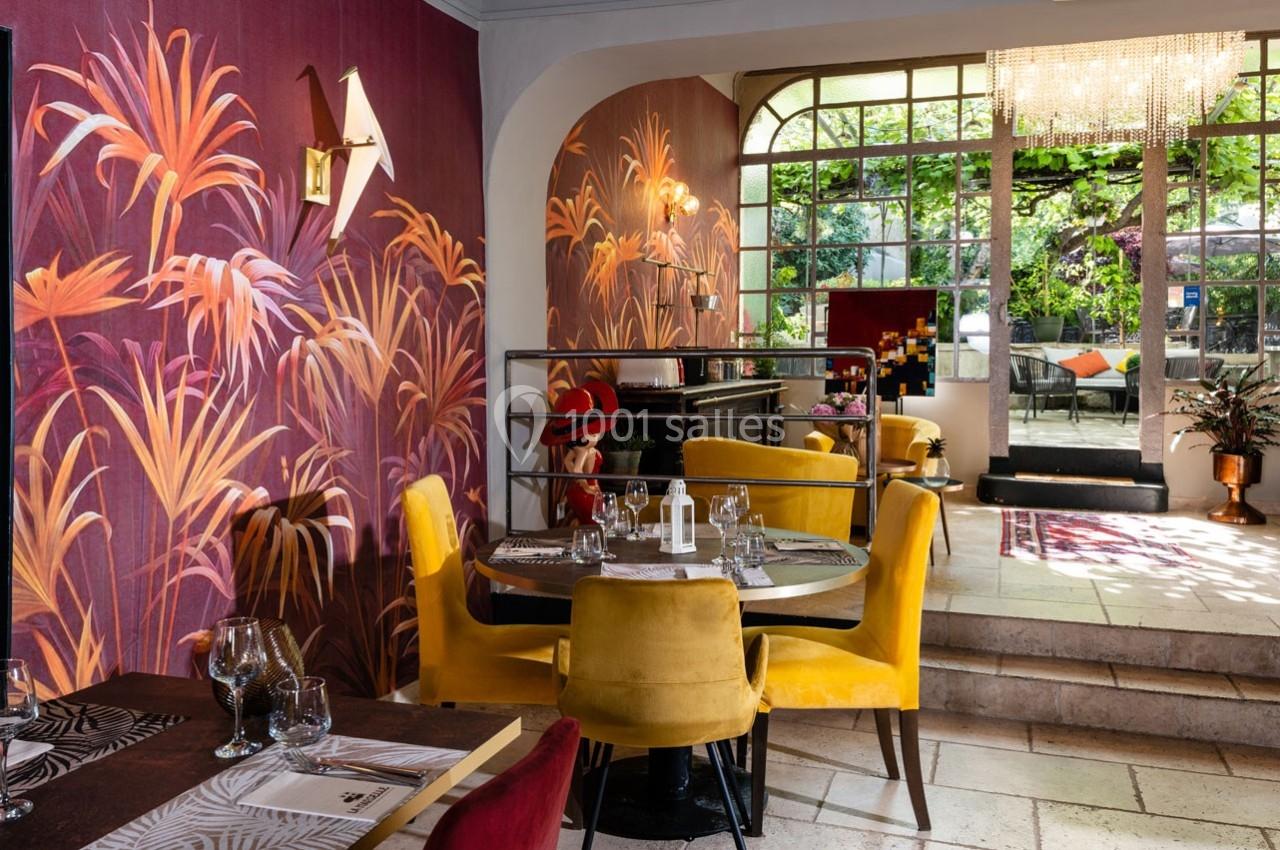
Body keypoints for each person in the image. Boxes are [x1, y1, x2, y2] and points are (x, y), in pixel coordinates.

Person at [539, 381, 619, 524]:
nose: (597, 434)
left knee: (589, 523)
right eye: (594, 432)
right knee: (597, 524)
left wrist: (580, 482)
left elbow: (567, 461)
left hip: (586, 489)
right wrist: (585, 485)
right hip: (586, 492)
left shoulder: (586, 450)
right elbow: (576, 468)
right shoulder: (584, 452)